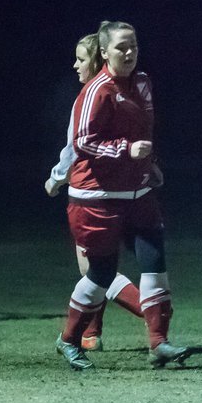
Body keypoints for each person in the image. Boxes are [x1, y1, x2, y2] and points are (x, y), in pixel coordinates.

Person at [54, 20, 190, 371]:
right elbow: (83, 141)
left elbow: (143, 131)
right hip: (95, 197)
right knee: (101, 272)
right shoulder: (95, 90)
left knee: (154, 260)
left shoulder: (143, 83)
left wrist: (150, 163)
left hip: (138, 192)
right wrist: (126, 151)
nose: (129, 53)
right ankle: (69, 340)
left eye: (133, 46)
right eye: (121, 47)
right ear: (104, 52)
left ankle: (159, 343)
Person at [45, 33, 147, 352]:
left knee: (95, 270)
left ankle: (154, 316)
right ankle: (91, 333)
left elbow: (75, 147)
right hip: (118, 193)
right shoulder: (119, 94)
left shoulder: (91, 96)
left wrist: (56, 178)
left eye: (81, 58)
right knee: (97, 267)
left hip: (93, 196)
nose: (75, 65)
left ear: (98, 60)